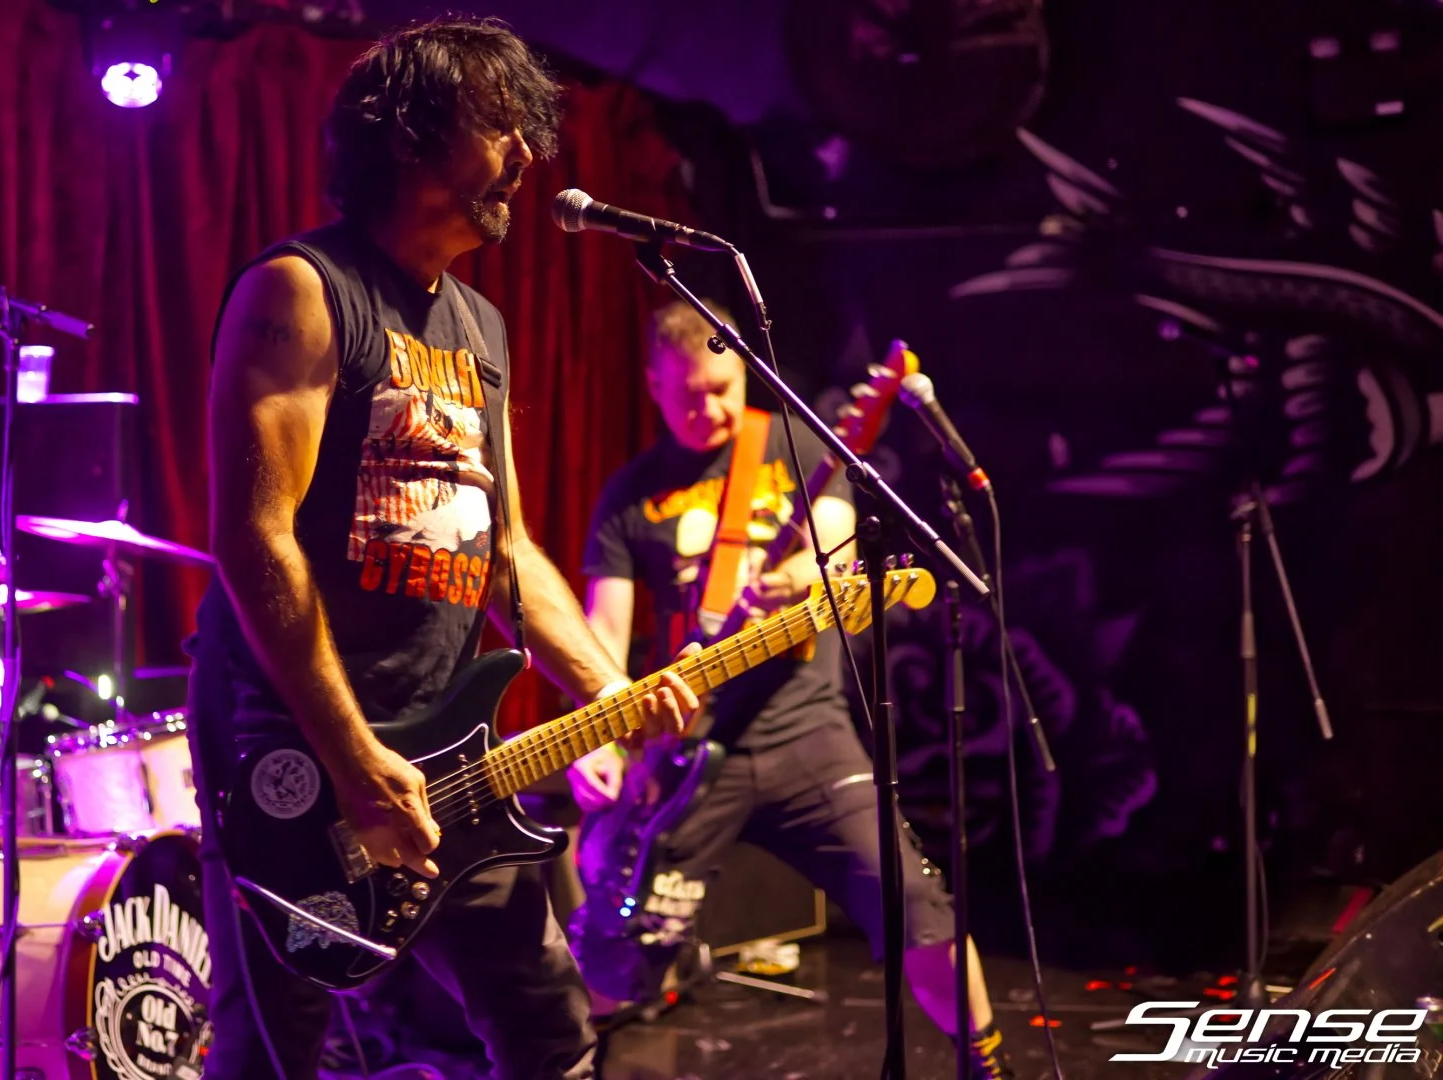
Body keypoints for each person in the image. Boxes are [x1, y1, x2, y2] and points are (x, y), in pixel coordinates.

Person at [187, 17, 700, 1080]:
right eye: (501, 125)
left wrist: (608, 690)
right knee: (272, 1052)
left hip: (449, 752)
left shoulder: (480, 325)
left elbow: (506, 548)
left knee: (550, 1034)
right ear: (412, 134)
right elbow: (254, 537)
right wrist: (350, 755)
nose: (527, 154)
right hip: (294, 750)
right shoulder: (303, 290)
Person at [570, 298, 1015, 1079]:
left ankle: (988, 1067)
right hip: (689, 752)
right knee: (613, 940)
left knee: (918, 908)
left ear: (743, 373)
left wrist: (801, 575)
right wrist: (599, 735)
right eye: (687, 395)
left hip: (807, 733)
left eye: (720, 389)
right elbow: (602, 637)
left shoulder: (797, 444)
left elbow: (833, 550)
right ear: (652, 385)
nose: (708, 409)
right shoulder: (630, 494)